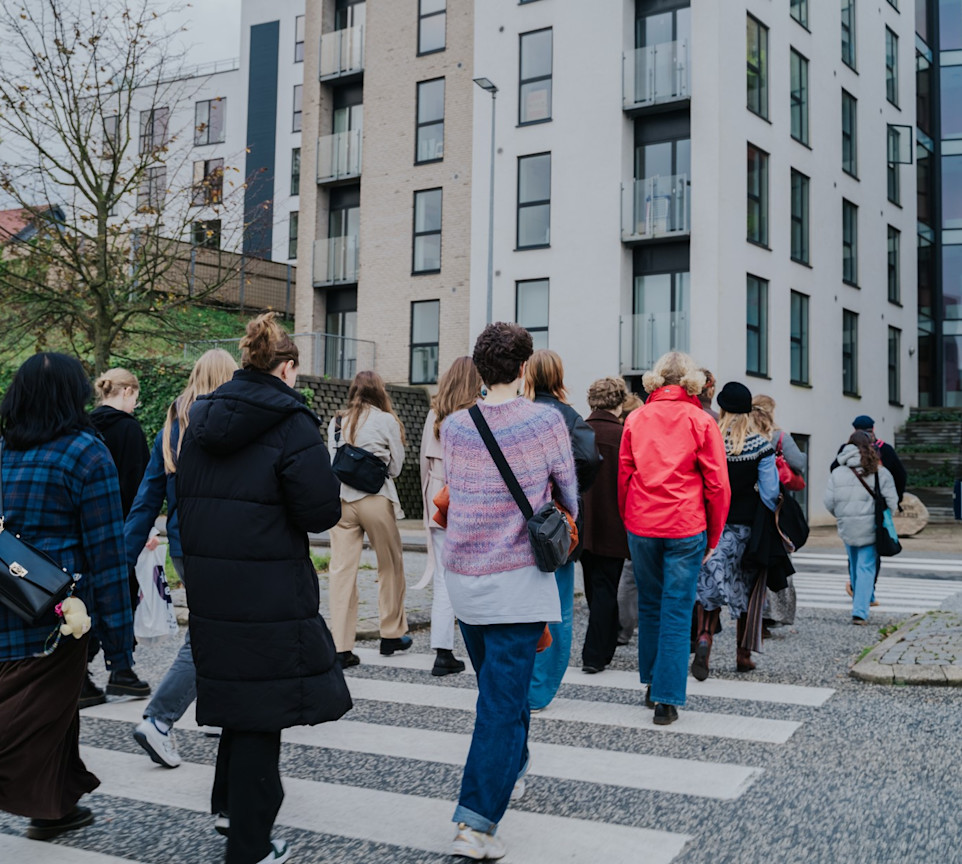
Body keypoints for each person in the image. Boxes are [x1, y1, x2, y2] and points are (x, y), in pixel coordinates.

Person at [176, 313, 350, 864]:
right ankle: (249, 846)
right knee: (263, 708)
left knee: (236, 693)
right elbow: (319, 509)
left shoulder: (199, 419)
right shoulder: (291, 422)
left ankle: (228, 804)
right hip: (268, 581)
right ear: (287, 366)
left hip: (211, 578)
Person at [441, 323, 577, 860]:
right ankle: (473, 823)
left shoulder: (454, 426)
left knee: (501, 690)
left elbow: (457, 489)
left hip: (465, 580)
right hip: (518, 578)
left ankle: (511, 764)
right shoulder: (545, 421)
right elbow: (566, 490)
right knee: (501, 701)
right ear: (524, 369)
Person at [0, 353, 134, 840]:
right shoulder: (87, 453)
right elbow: (107, 553)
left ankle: (54, 808)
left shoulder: (2, 449)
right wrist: (121, 651)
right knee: (27, 711)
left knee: (52, 709)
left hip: (3, 598)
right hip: (55, 615)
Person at [125, 349, 238, 768]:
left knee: (221, 629)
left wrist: (124, 555)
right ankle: (158, 720)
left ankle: (217, 711)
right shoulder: (226, 426)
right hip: (221, 547)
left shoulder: (171, 425)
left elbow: (146, 497)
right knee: (208, 635)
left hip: (183, 547)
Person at [618, 352, 729, 726]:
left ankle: (652, 684)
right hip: (686, 523)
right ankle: (666, 699)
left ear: (656, 380)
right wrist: (713, 534)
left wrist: (628, 518)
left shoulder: (636, 418)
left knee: (650, 603)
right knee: (678, 608)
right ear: (691, 382)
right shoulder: (701, 420)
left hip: (642, 522)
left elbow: (624, 476)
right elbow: (716, 484)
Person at [524, 350, 599, 710]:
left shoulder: (516, 413)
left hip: (516, 522)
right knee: (559, 608)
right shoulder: (569, 417)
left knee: (520, 607)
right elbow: (589, 460)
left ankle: (519, 683)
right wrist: (564, 485)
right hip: (555, 524)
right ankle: (540, 690)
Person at [692, 384, 779, 680]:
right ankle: (743, 655)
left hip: (712, 527)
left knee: (709, 586)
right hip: (748, 529)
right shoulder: (761, 446)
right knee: (747, 587)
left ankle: (704, 637)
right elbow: (770, 494)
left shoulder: (708, 440)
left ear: (722, 408)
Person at [327, 370, 410, 669]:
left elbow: (331, 461)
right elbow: (397, 468)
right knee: (390, 565)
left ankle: (341, 647)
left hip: (342, 502)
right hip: (376, 499)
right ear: (379, 392)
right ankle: (390, 635)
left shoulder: (337, 421)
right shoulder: (386, 420)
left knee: (341, 572)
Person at [85, 366, 151, 705]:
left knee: (88, 600)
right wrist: (146, 529)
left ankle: (87, 671)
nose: (135, 405)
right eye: (136, 398)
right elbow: (141, 487)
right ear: (126, 392)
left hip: (86, 528)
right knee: (121, 597)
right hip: (122, 528)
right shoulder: (130, 431)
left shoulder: (85, 426)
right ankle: (120, 670)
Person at [418, 356, 482, 677]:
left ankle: (443, 650)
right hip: (469, 504)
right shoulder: (478, 414)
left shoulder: (436, 414)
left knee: (445, 580)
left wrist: (427, 508)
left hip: (439, 504)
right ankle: (471, 645)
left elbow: (423, 467)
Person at [579, 377, 629, 674]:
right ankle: (595, 654)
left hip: (583, 522)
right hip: (614, 521)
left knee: (593, 587)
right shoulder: (623, 435)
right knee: (606, 587)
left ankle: (605, 644)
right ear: (619, 402)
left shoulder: (579, 431)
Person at [824, 431, 898, 625]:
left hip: (847, 525)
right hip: (871, 526)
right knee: (866, 567)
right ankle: (860, 611)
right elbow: (892, 502)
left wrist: (842, 515)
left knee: (854, 564)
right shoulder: (880, 472)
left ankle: (866, 598)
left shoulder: (838, 472)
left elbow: (829, 502)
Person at [753, 394, 806, 631]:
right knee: (779, 555)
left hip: (749, 504)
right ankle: (773, 612)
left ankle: (754, 612)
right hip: (776, 505)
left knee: (752, 559)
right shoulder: (779, 436)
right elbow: (799, 463)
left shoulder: (743, 433)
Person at [616, 392, 644, 646]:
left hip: (629, 515)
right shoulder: (640, 436)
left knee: (627, 578)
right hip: (643, 515)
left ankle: (623, 628)